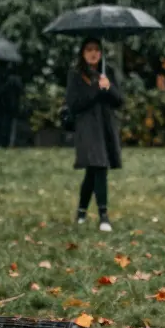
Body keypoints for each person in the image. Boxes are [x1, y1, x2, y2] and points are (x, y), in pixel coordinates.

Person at [66, 39, 124, 231]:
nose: (93, 54)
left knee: (93, 170)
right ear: (82, 53)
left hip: (105, 126)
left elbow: (119, 101)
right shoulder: (76, 75)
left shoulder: (108, 73)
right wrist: (96, 89)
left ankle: (81, 212)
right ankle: (104, 216)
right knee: (99, 167)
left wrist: (109, 87)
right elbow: (74, 105)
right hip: (87, 127)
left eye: (97, 50)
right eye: (89, 50)